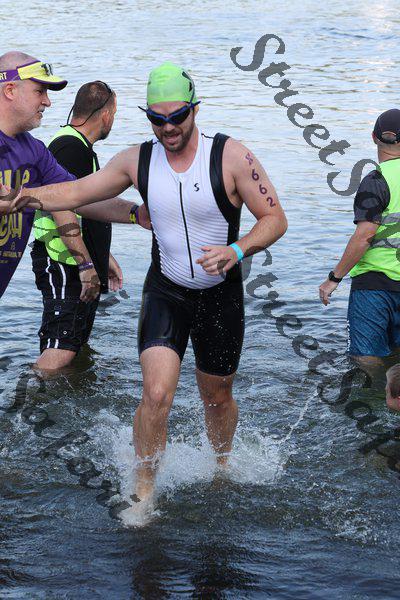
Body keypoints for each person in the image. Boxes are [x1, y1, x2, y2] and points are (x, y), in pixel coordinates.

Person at [12, 62, 288, 513]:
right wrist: (21, 198)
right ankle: (143, 493)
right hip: (167, 291)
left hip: (219, 294)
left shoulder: (232, 157)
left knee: (217, 396)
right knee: (156, 394)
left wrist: (237, 250)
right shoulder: (136, 160)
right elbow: (76, 193)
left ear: (195, 109)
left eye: (176, 117)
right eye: (156, 119)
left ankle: (222, 467)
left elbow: (275, 219)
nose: (168, 128)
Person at [0, 51, 148, 307]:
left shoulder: (34, 151)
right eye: (39, 91)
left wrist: (136, 214)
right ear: (10, 90)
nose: (48, 102)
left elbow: (77, 195)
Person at [31, 80, 123, 370]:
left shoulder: (79, 146)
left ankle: (59, 392)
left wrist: (104, 256)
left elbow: (84, 209)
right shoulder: (70, 148)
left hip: (75, 260)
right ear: (106, 115)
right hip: (63, 260)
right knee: (62, 346)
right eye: (114, 114)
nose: (113, 120)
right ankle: (24, 395)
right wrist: (85, 265)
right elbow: (61, 207)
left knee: (73, 342)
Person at [319, 109, 400, 370]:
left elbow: (364, 236)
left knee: (365, 357)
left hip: (374, 285)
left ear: (374, 137)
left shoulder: (376, 181)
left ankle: (373, 391)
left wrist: (334, 278)